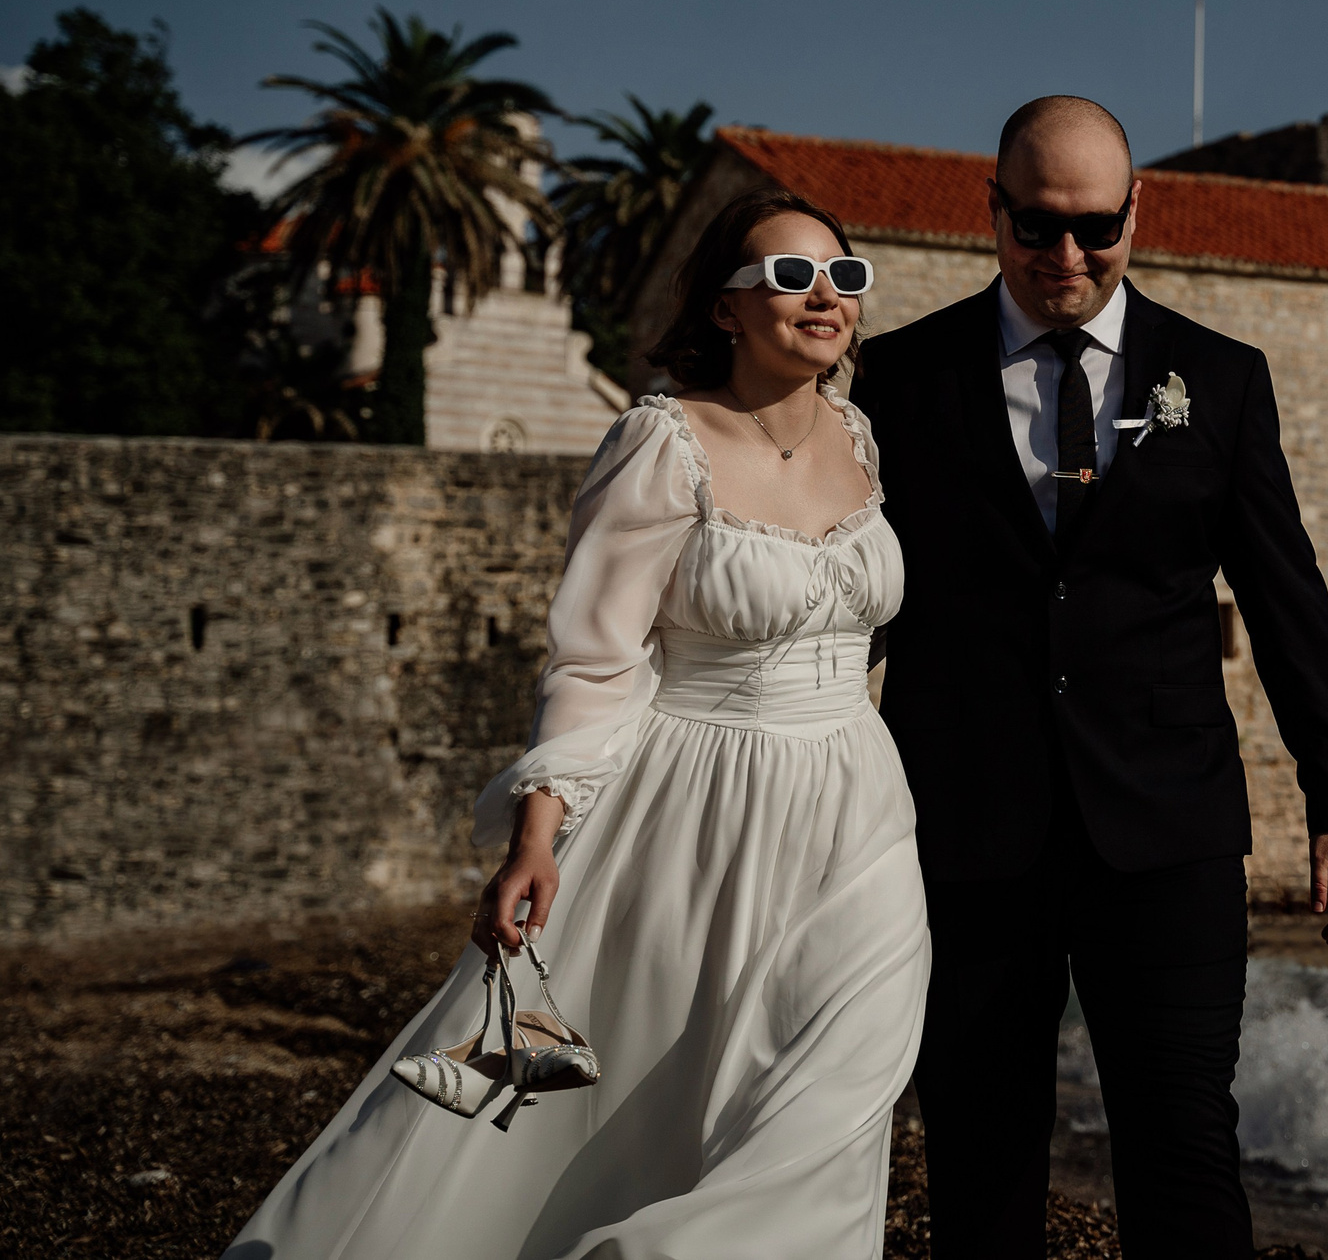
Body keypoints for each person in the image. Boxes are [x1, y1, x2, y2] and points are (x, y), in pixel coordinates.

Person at [227, 191, 928, 1260]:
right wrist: (537, 836)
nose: (824, 296)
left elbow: (859, 630)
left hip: (862, 811)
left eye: (844, 274)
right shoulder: (661, 442)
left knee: (836, 1103)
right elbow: (596, 660)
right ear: (727, 309)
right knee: (668, 1110)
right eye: (788, 277)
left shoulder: (863, 438)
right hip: (700, 811)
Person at [853, 95, 1328, 1260]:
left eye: (1097, 228)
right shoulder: (896, 381)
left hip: (1172, 823)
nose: (1068, 258)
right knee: (981, 1150)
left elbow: (1289, 600)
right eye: (1037, 228)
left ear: (1138, 212)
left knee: (1184, 1143)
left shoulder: (1222, 379)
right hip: (968, 829)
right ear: (989, 213)